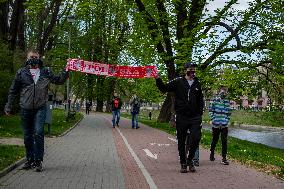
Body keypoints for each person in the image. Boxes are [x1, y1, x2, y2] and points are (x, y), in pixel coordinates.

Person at [4, 50, 69, 172]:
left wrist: (67, 69)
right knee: (27, 136)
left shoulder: (45, 71)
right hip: (25, 109)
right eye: (31, 57)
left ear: (39, 58)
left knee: (38, 133)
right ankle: (30, 160)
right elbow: (13, 90)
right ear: (27, 59)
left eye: (36, 57)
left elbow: (59, 80)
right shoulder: (21, 72)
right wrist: (8, 106)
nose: (34, 59)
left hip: (40, 108)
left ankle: (38, 161)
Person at [155, 62, 204, 173]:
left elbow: (200, 99)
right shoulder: (178, 82)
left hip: (195, 117)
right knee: (181, 141)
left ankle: (190, 160)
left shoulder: (197, 84)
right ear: (185, 70)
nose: (192, 72)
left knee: (196, 138)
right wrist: (157, 78)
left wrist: (200, 112)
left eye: (194, 69)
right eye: (190, 69)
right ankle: (183, 163)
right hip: (182, 116)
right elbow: (164, 88)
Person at [209, 85, 232, 165]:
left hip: (224, 124)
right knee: (214, 140)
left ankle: (224, 158)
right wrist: (213, 119)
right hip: (216, 124)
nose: (224, 92)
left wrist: (227, 120)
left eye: (225, 91)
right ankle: (212, 153)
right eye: (223, 90)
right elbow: (210, 110)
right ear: (220, 91)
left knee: (224, 141)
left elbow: (229, 112)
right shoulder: (214, 100)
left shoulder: (227, 101)